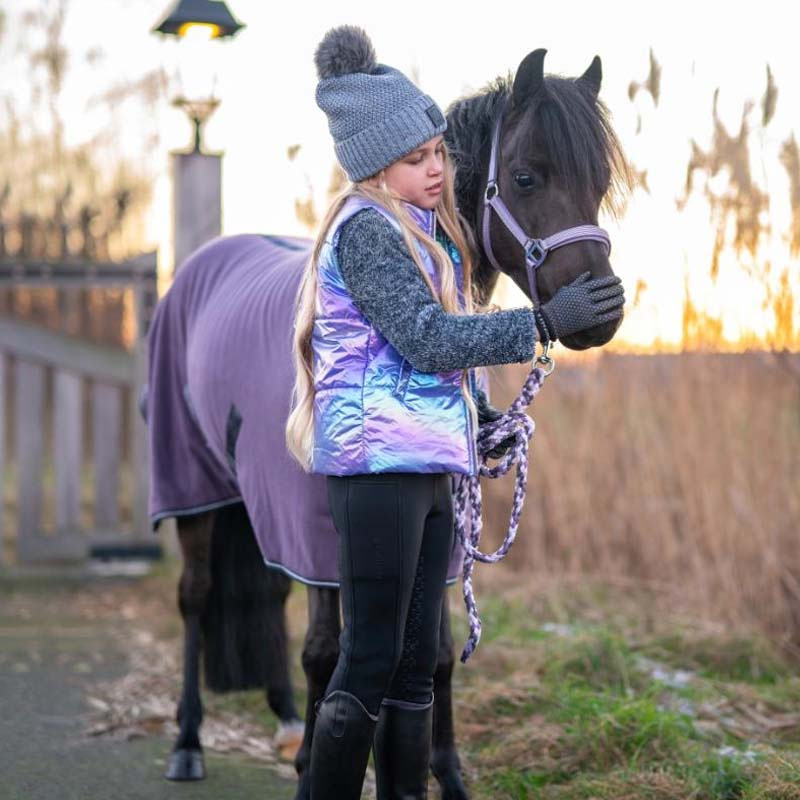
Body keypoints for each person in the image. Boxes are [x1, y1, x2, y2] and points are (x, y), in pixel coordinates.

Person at [286, 25, 624, 800]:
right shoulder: (367, 231)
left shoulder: (429, 241)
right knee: (368, 657)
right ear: (376, 166)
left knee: (413, 661)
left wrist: (485, 417)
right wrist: (542, 322)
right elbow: (427, 339)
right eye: (417, 159)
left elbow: (444, 369)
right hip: (378, 470)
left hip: (425, 465)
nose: (438, 168)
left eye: (439, 151)